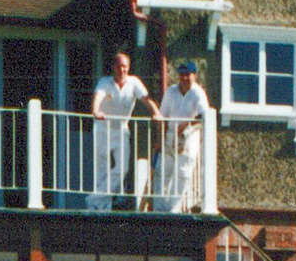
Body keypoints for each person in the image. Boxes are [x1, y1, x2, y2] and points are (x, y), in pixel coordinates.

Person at [89, 50, 159, 211]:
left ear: (129, 67)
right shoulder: (105, 82)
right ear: (113, 67)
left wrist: (156, 112)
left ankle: (94, 199)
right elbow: (98, 97)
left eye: (125, 67)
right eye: (119, 66)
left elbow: (146, 99)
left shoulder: (134, 82)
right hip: (102, 129)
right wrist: (96, 111)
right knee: (102, 170)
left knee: (122, 169)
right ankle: (102, 206)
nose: (122, 70)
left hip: (121, 130)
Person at [154, 61, 208, 213]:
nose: (184, 78)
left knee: (182, 173)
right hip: (170, 134)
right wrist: (160, 140)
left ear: (194, 76)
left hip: (189, 135)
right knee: (161, 172)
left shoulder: (198, 93)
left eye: (187, 75)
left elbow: (203, 114)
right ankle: (159, 207)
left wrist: (185, 125)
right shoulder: (171, 91)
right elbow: (162, 117)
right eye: (181, 75)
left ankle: (174, 208)